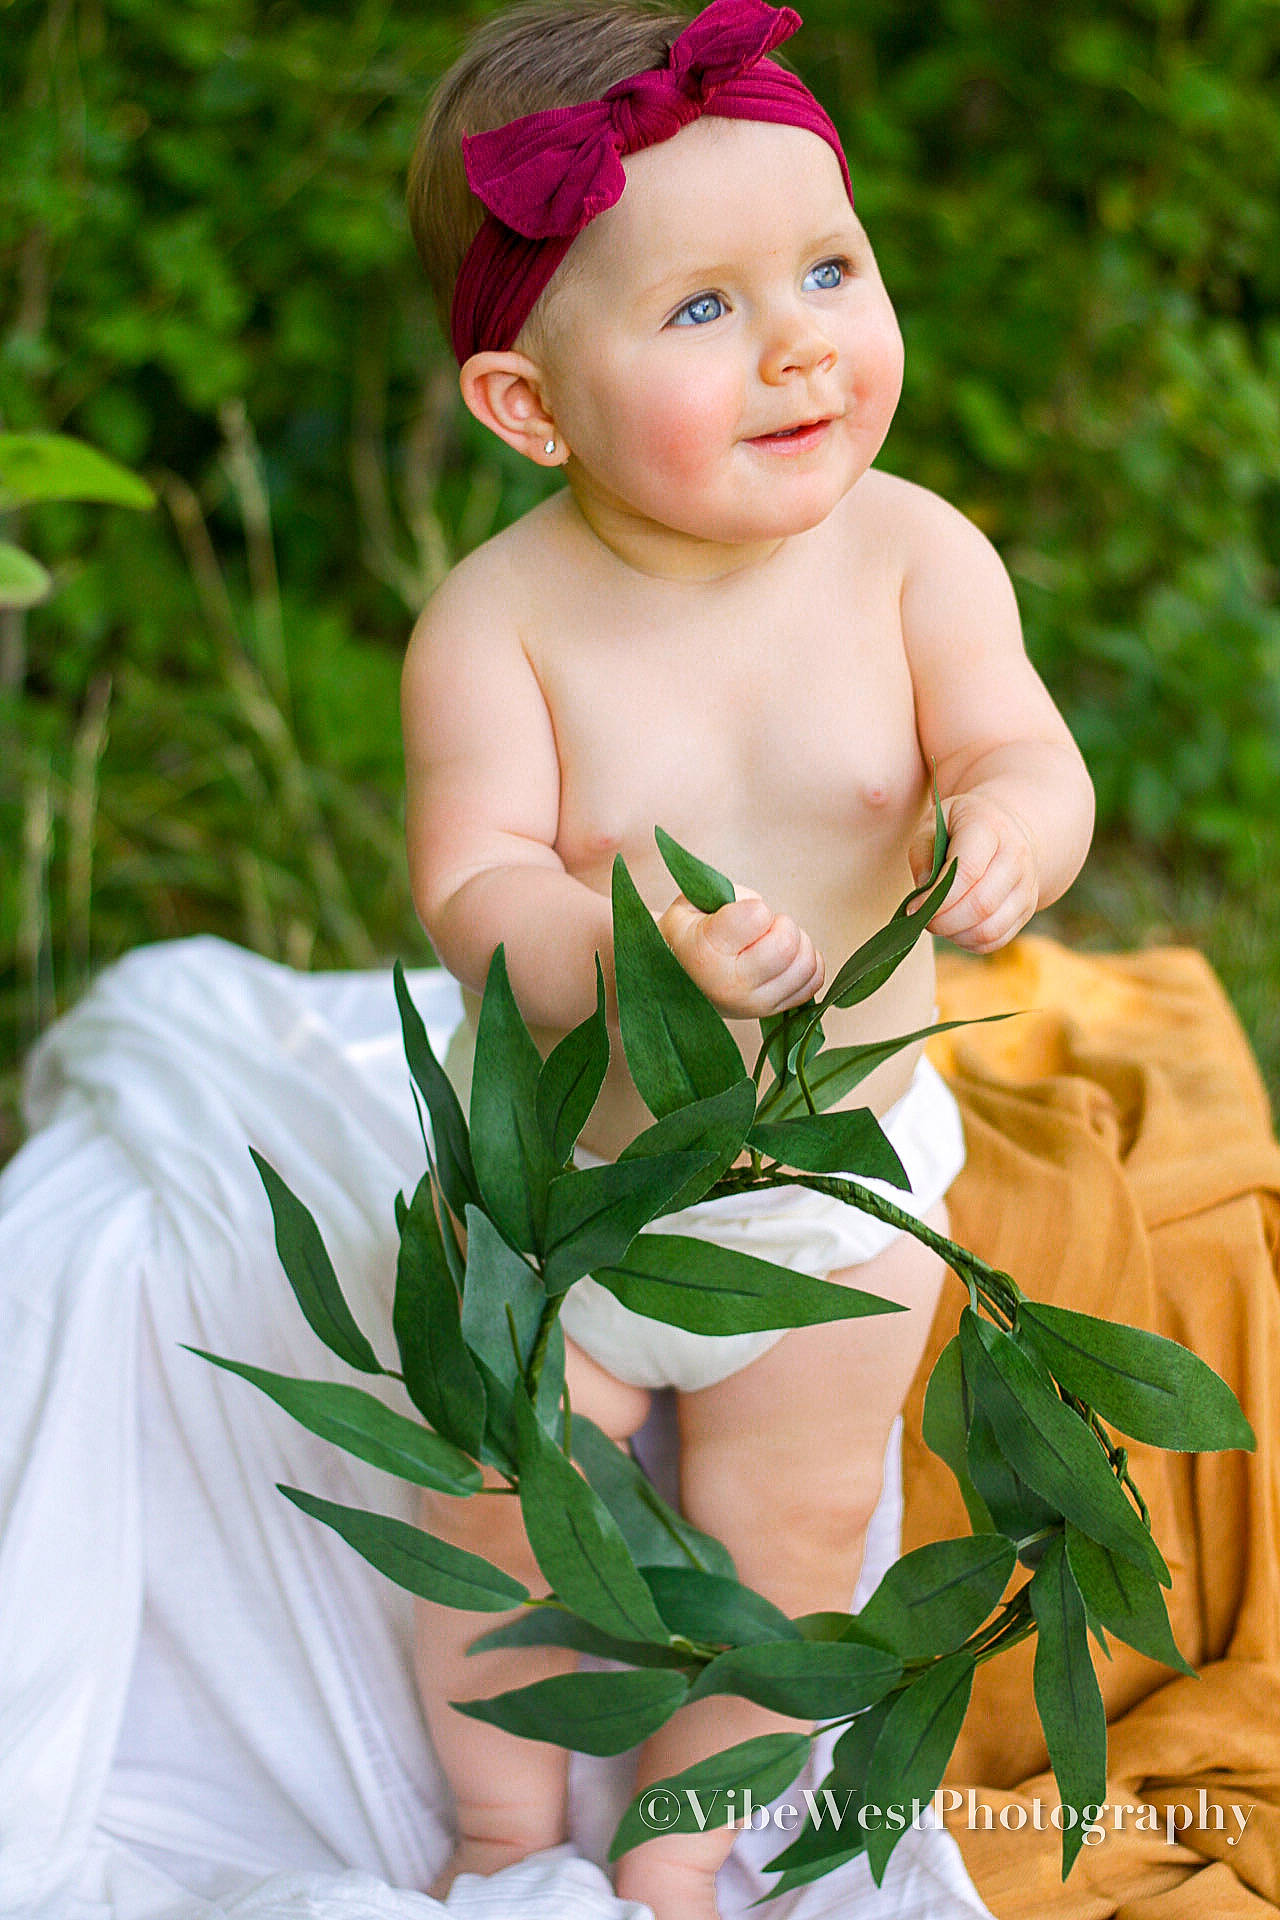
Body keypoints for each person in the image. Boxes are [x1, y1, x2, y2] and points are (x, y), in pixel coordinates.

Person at [400, 2, 1095, 1913]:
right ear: (528, 408)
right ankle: (496, 1824)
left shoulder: (917, 556)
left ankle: (677, 1844)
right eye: (701, 309)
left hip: (833, 1186)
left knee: (784, 1550)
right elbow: (473, 884)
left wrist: (1013, 826)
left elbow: (1025, 748)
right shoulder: (500, 624)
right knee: (485, 1502)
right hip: (571, 1191)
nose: (801, 337)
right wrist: (633, 952)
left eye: (827, 267)